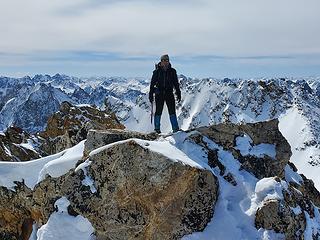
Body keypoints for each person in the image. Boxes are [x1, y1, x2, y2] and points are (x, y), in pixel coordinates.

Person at [149, 54, 181, 133]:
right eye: (164, 60)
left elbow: (176, 83)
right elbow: (152, 83)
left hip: (169, 93)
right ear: (161, 61)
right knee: (158, 111)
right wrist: (151, 93)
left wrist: (178, 92)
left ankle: (175, 129)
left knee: (172, 111)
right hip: (159, 93)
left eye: (167, 60)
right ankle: (157, 129)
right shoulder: (157, 72)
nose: (165, 62)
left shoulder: (172, 71)